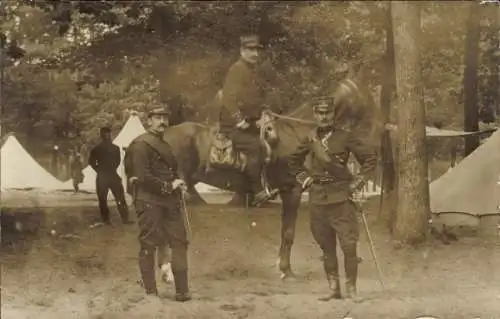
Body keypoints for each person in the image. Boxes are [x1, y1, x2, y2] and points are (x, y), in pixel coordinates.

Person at [287, 96, 377, 301]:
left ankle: (351, 289)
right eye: (320, 113)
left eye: (327, 112)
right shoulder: (309, 139)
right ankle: (333, 288)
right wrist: (305, 179)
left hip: (341, 198)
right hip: (318, 198)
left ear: (333, 115)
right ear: (315, 115)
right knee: (326, 245)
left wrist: (357, 183)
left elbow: (370, 159)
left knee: (348, 245)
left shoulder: (345, 137)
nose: (324, 117)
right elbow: (293, 162)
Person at [125, 107, 191, 301]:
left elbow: (172, 170)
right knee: (149, 243)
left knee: (179, 242)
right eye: (158, 118)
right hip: (148, 200)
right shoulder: (140, 145)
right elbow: (142, 175)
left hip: (170, 201)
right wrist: (169, 185)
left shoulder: (165, 145)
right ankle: (151, 291)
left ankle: (182, 291)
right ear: (149, 121)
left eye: (165, 118)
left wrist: (179, 182)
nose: (162, 122)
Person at [219, 32, 278, 206]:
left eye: (257, 50)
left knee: (273, 139)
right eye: (251, 50)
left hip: (252, 123)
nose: (255, 54)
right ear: (242, 50)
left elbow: (257, 99)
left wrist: (265, 112)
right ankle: (258, 192)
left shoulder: (252, 71)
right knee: (255, 147)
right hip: (234, 126)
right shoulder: (237, 69)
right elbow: (229, 98)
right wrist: (239, 119)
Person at [88, 127, 132, 225]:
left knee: (107, 199)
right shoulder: (111, 148)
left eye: (108, 134)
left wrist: (99, 169)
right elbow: (117, 161)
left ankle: (108, 220)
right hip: (110, 175)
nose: (107, 136)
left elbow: (91, 162)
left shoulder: (98, 149)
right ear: (104, 135)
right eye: (106, 134)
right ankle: (122, 219)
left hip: (105, 175)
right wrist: (105, 169)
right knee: (115, 198)